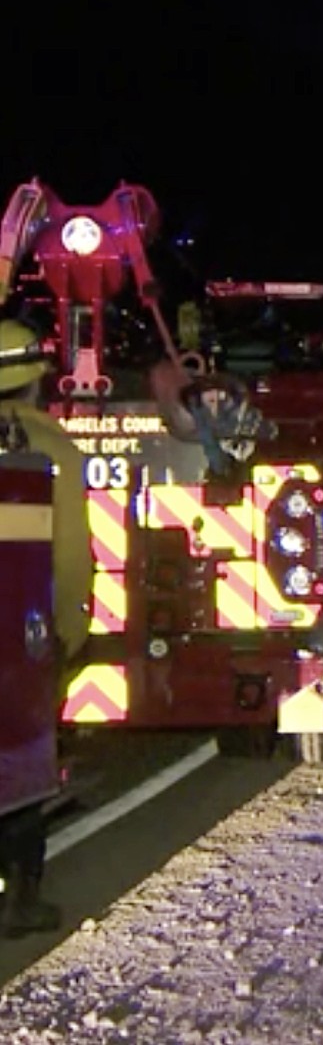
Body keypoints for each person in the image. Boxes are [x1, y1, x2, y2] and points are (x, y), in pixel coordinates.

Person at [0, 317, 83, 936]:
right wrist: (66, 636)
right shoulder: (52, 450)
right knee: (24, 764)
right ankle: (20, 899)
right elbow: (71, 558)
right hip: (20, 646)